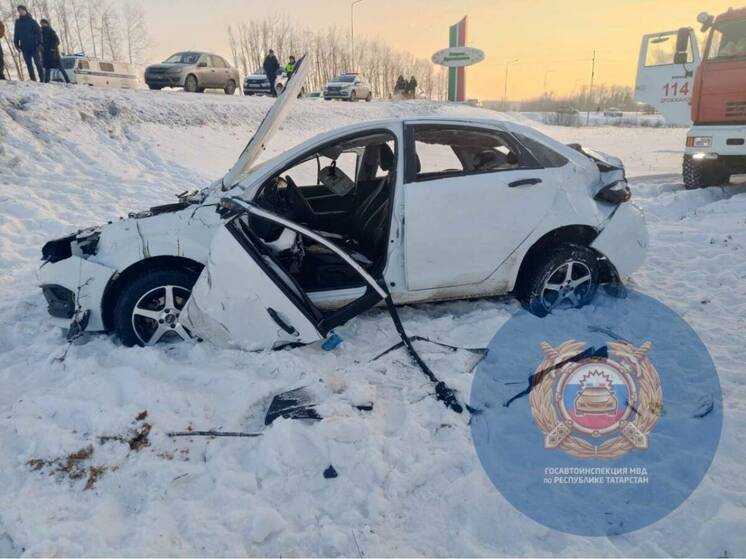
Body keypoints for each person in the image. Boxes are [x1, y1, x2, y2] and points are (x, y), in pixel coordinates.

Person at [14, 5, 43, 81]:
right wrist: (16, 44)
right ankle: (33, 80)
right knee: (29, 65)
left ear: (25, 10)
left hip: (34, 46)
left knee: (38, 63)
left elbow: (39, 32)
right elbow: (16, 34)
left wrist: (39, 43)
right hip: (24, 47)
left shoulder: (32, 21)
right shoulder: (18, 22)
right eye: (19, 10)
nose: (20, 11)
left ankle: (42, 80)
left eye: (21, 10)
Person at [40, 19, 70, 83]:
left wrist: (53, 48)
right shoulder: (40, 32)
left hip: (53, 53)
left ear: (47, 24)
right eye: (41, 23)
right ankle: (46, 81)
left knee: (60, 67)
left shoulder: (51, 31)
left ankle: (67, 80)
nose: (42, 24)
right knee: (47, 68)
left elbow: (57, 41)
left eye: (44, 23)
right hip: (45, 53)